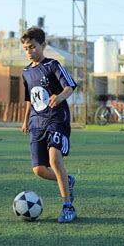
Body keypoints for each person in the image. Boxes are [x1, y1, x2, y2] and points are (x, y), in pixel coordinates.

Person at [20, 27, 78, 223]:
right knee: (39, 170)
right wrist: (26, 119)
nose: (30, 51)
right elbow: (29, 98)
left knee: (54, 159)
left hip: (56, 119)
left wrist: (60, 96)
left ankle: (67, 206)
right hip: (36, 123)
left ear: (43, 45)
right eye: (26, 48)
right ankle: (67, 180)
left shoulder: (53, 65)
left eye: (33, 47)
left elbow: (70, 87)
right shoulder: (26, 72)